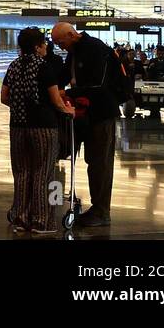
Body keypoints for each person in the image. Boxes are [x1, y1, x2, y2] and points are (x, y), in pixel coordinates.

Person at [2, 27, 75, 234]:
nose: (46, 47)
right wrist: (67, 110)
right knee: (43, 172)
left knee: (22, 173)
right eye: (44, 44)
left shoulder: (13, 66)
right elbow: (56, 100)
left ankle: (20, 219)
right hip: (43, 127)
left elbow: (4, 97)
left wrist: (21, 106)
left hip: (17, 126)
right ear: (37, 47)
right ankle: (41, 222)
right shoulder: (44, 68)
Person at [51, 21, 121, 228]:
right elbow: (63, 75)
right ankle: (95, 209)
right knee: (90, 160)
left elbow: (98, 85)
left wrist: (67, 93)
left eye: (60, 42)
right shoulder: (74, 51)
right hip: (84, 113)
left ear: (72, 35)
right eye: (55, 43)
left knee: (100, 163)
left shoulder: (95, 49)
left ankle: (101, 211)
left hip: (101, 114)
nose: (59, 46)